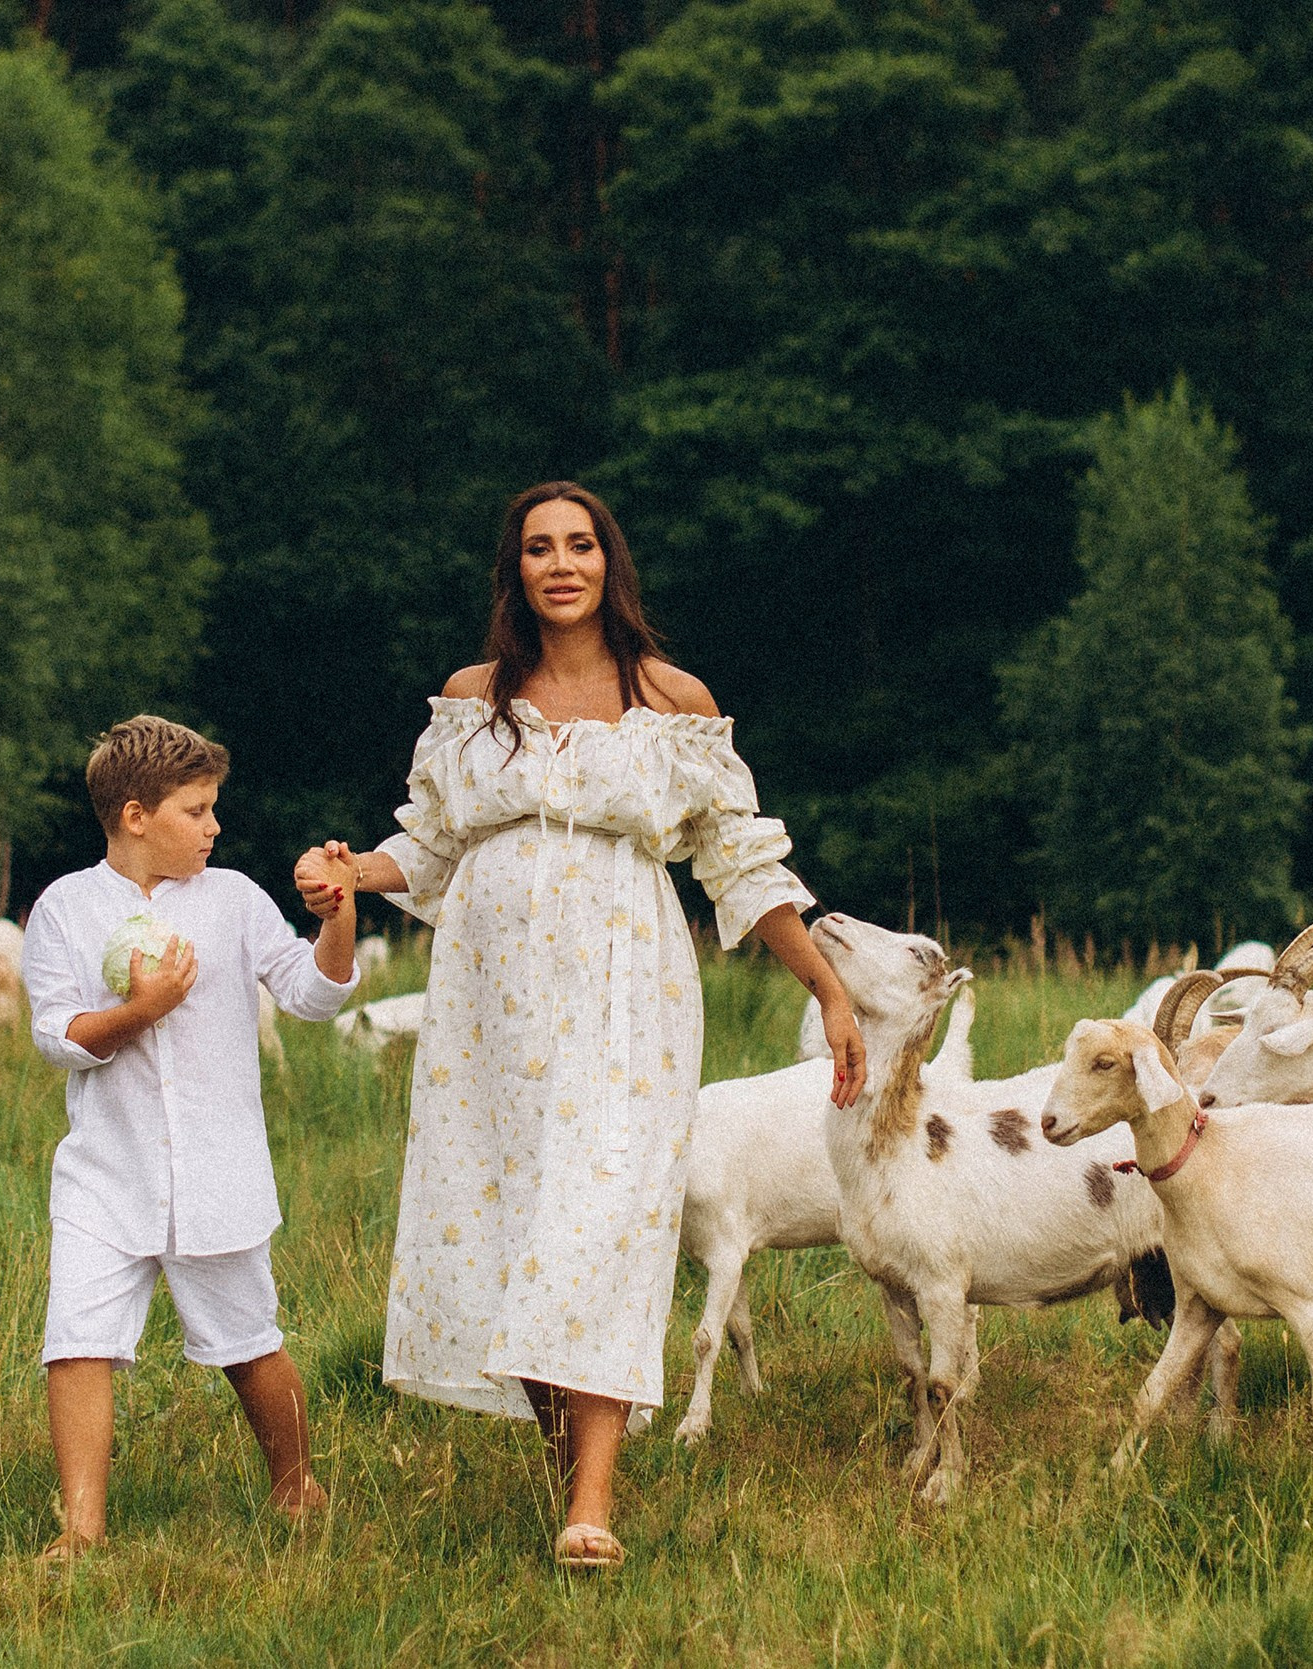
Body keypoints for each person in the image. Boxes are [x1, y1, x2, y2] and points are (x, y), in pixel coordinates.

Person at [295, 481, 867, 1571]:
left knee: (601, 1229)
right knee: (519, 1241)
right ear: (514, 572)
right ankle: (575, 1471)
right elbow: (426, 848)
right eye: (537, 549)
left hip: (626, 991)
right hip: (488, 1008)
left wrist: (828, 990)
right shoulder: (476, 700)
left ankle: (590, 1506)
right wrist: (344, 872)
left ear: (611, 563)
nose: (561, 564)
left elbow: (742, 864)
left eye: (581, 546)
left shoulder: (671, 699)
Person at [21, 715, 362, 1561]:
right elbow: (56, 1033)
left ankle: (294, 1484)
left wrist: (339, 918)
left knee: (248, 1341)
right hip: (107, 1172)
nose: (215, 826)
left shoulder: (235, 899)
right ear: (136, 815)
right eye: (197, 810)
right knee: (78, 1339)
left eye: (214, 809)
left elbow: (314, 997)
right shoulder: (64, 907)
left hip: (219, 1170)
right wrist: (138, 1011)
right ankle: (82, 1528)